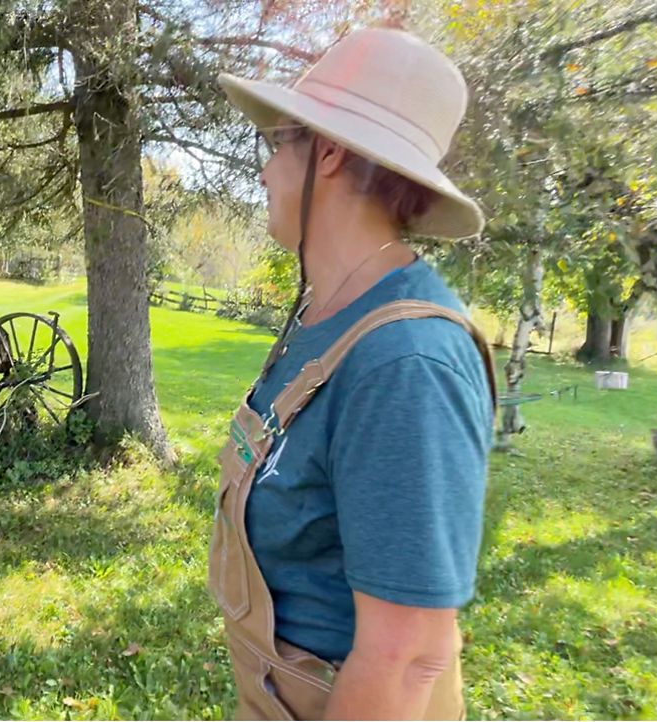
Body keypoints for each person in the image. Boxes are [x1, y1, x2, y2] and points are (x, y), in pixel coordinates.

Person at [207, 28, 498, 720]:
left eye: (279, 142)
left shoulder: (407, 364)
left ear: (330, 154)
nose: (265, 170)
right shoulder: (326, 315)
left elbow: (407, 660)